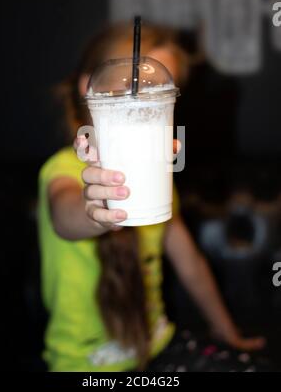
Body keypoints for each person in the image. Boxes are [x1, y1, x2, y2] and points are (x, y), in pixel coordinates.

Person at [38, 22, 265, 372]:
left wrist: (227, 333)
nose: (148, 97)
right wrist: (95, 209)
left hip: (159, 345)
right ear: (90, 89)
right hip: (83, 364)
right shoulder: (63, 171)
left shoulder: (158, 178)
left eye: (160, 88)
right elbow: (64, 216)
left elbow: (190, 264)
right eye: (136, 87)